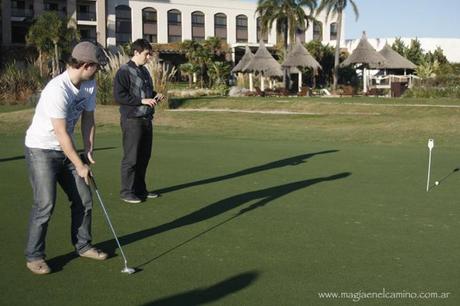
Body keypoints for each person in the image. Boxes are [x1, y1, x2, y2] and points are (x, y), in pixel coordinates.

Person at [24, 41, 108, 275]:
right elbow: (60, 133)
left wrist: (89, 147)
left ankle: (83, 245)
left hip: (66, 148)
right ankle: (35, 256)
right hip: (41, 149)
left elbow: (88, 118)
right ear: (86, 65)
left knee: (84, 199)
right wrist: (79, 165)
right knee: (45, 204)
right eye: (97, 67)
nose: (98, 71)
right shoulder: (56, 90)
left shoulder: (89, 84)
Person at [114, 39, 165, 204]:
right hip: (132, 119)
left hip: (146, 119)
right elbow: (120, 96)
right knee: (131, 158)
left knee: (144, 157)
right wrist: (142, 101)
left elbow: (147, 91)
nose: (149, 57)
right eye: (146, 54)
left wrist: (155, 95)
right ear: (136, 52)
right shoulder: (124, 71)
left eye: (150, 54)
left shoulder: (144, 71)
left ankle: (140, 190)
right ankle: (126, 192)